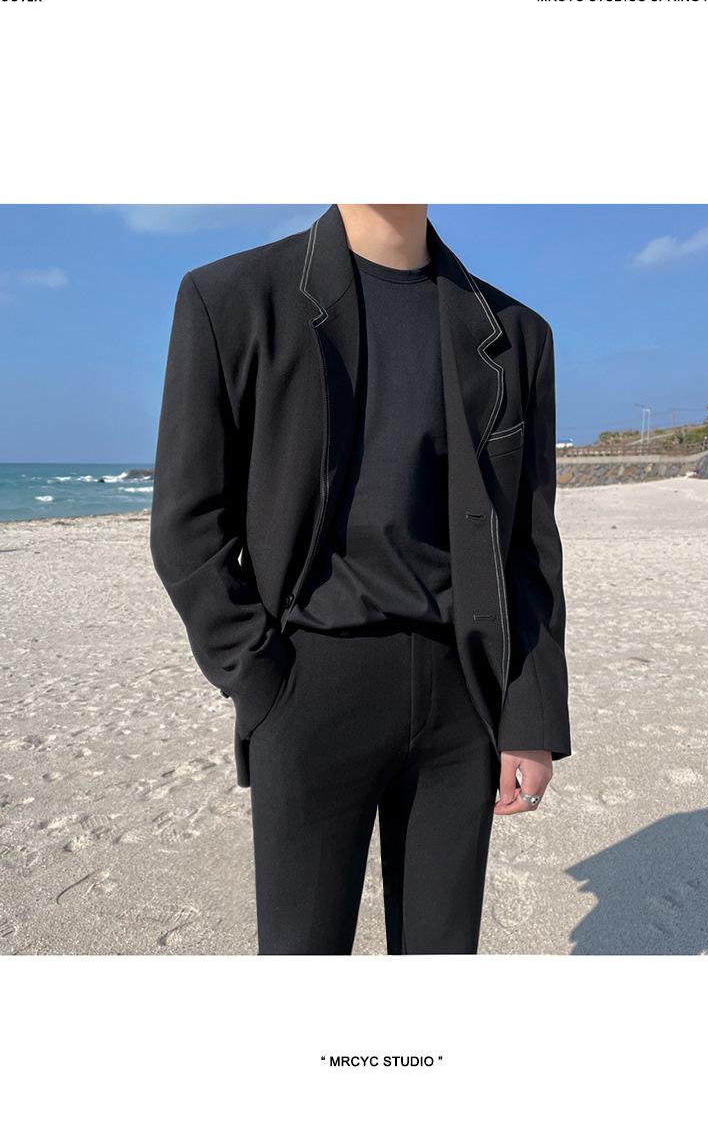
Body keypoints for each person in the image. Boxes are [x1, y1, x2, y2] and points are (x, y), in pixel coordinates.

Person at [150, 203, 570, 955]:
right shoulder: (231, 297)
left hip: (462, 696)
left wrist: (531, 719)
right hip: (307, 684)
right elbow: (187, 521)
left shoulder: (517, 333)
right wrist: (259, 677)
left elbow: (529, 546)